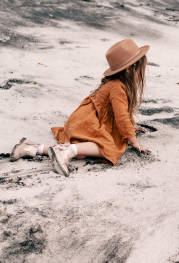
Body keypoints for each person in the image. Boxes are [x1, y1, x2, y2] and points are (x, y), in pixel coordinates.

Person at [10, 38, 150, 176]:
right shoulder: (117, 87)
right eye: (140, 69)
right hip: (87, 123)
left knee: (82, 151)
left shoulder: (115, 84)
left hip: (82, 120)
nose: (142, 73)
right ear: (129, 70)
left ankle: (32, 147)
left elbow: (120, 113)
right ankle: (66, 152)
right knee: (107, 147)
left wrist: (130, 128)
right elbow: (121, 117)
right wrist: (134, 141)